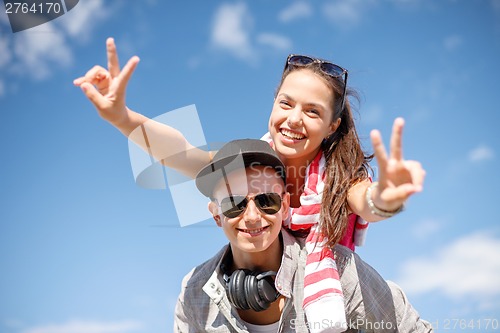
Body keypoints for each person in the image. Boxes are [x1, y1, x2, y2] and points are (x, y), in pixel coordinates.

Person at [74, 38, 426, 331]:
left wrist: (389, 198)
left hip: (318, 277)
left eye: (313, 111)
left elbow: (366, 200)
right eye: (285, 103)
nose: (293, 119)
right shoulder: (250, 163)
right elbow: (181, 152)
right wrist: (122, 117)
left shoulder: (337, 176)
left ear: (332, 126)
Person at [174, 138, 432, 332]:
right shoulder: (194, 292)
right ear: (216, 214)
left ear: (285, 206)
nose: (252, 216)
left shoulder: (340, 269)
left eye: (267, 201)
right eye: (234, 204)